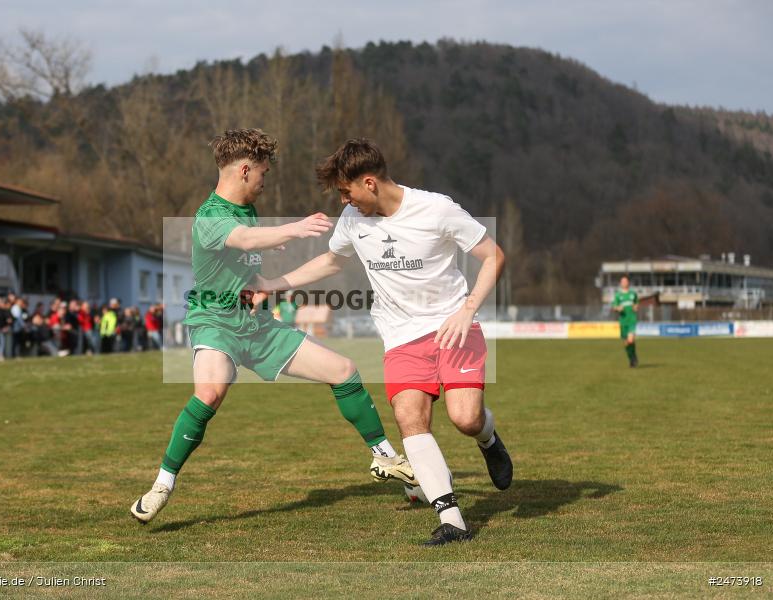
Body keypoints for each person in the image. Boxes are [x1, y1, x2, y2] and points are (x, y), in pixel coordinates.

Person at [130, 129, 414, 525]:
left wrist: (268, 248)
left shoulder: (247, 209)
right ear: (244, 170)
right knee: (210, 393)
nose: (265, 182)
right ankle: (162, 484)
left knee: (344, 371)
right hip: (216, 321)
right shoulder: (210, 214)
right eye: (262, 173)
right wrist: (290, 230)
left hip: (258, 325)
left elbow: (247, 243)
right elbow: (242, 239)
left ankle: (388, 460)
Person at [255, 138, 512, 546]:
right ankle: (452, 519)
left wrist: (467, 309)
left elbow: (493, 255)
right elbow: (331, 261)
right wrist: (272, 284)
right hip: (401, 337)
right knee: (410, 417)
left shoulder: (437, 208)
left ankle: (488, 439)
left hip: (454, 327)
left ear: (370, 183)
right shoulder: (353, 220)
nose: (345, 200)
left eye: (347, 191)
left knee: (466, 419)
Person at [612, 276, 640, 367]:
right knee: (626, 342)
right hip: (623, 321)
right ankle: (632, 358)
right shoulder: (618, 295)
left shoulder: (633, 294)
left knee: (630, 340)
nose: (624, 283)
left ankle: (633, 357)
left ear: (628, 283)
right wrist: (617, 308)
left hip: (632, 320)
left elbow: (636, 304)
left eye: (626, 281)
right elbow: (614, 307)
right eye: (622, 281)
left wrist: (636, 307)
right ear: (621, 284)